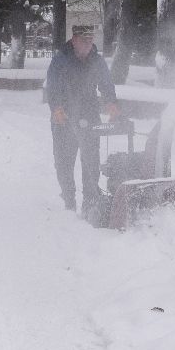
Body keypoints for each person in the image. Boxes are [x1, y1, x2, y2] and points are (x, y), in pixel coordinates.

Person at [43, 24, 118, 212]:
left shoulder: (96, 60)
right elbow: (52, 87)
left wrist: (111, 103)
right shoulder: (61, 59)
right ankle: (68, 198)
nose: (88, 45)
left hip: (89, 114)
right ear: (74, 40)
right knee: (64, 161)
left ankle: (90, 201)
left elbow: (106, 84)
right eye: (84, 41)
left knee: (91, 159)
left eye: (91, 41)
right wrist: (57, 108)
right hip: (64, 116)